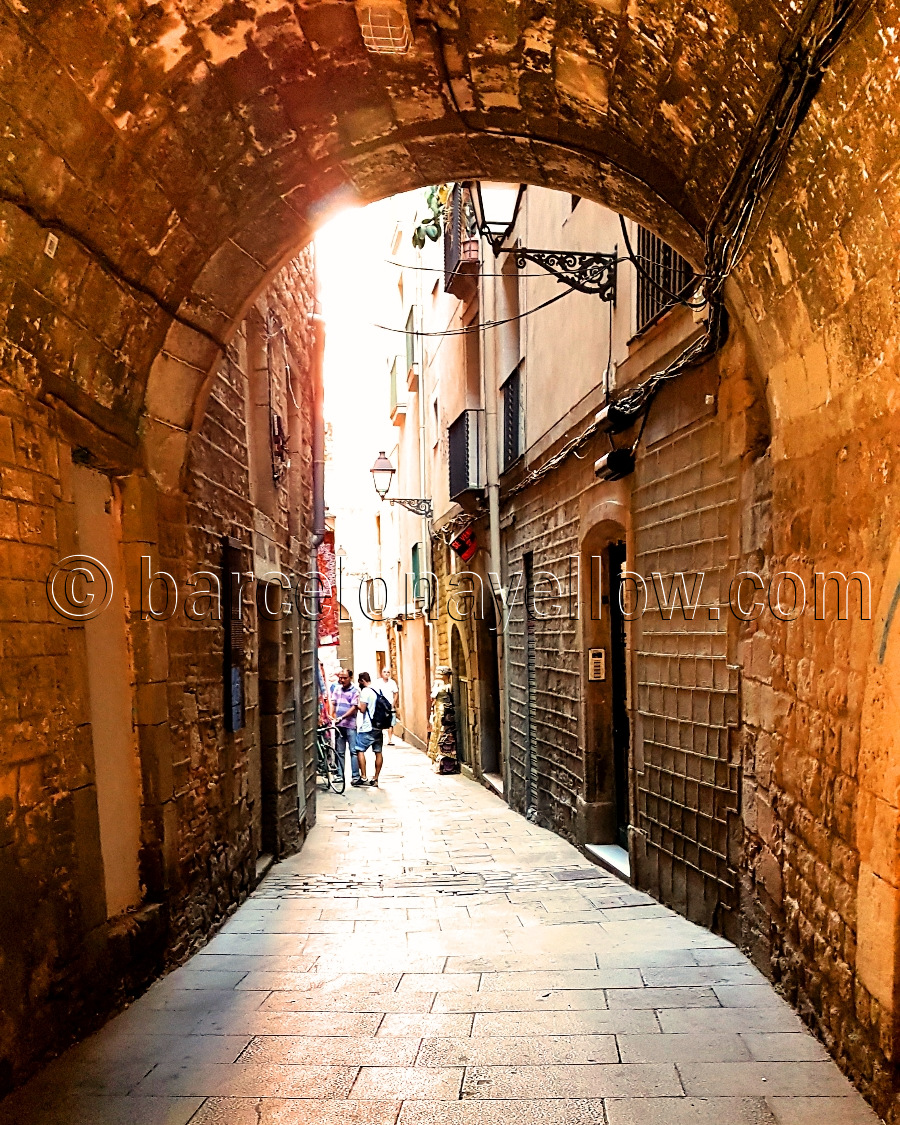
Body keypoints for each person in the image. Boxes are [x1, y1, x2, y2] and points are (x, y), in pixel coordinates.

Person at [329, 668, 362, 786]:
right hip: (339, 725)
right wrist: (332, 715)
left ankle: (355, 776)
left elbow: (354, 708)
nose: (342, 680)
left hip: (350, 725)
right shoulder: (337, 689)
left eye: (344, 678)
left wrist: (342, 717)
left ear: (350, 678)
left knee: (353, 751)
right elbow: (333, 702)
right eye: (340, 678)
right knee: (340, 751)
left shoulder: (355, 691)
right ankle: (339, 775)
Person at [356, 672, 385, 787]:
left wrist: (355, 704)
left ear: (362, 681)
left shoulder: (365, 691)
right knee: (378, 752)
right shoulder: (378, 689)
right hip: (379, 726)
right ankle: (376, 779)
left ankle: (363, 777)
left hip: (368, 726)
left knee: (360, 749)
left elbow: (362, 709)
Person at [378, 665, 400, 745]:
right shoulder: (378, 682)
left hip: (390, 705)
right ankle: (380, 738)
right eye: (384, 672)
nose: (386, 674)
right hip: (381, 705)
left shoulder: (392, 683)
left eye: (388, 672)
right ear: (381, 673)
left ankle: (390, 739)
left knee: (391, 723)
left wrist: (393, 703)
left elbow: (396, 693)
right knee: (380, 722)